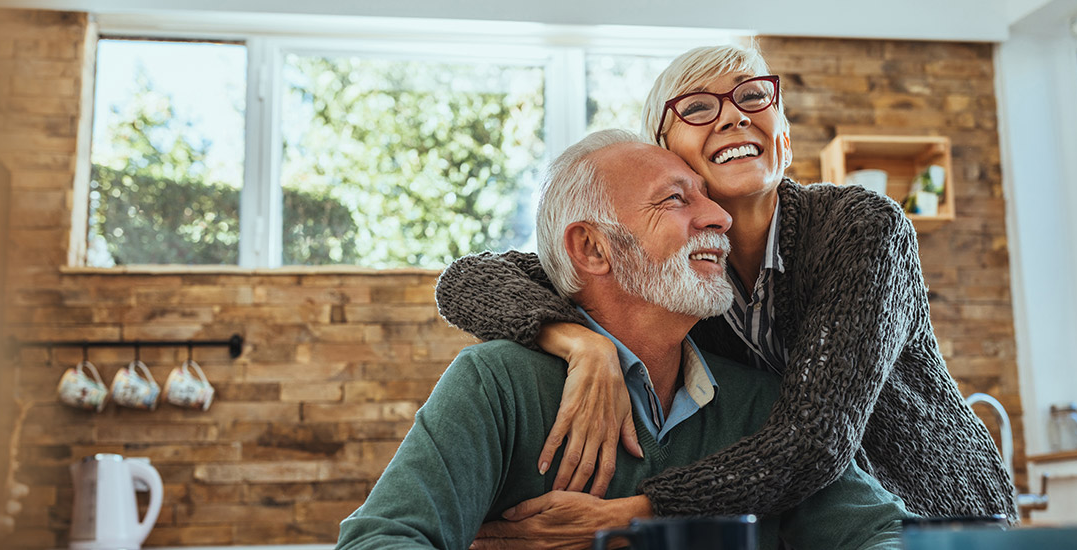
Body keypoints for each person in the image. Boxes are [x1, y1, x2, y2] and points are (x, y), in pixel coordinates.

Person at [434, 45, 1016, 519]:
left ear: (782, 134)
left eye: (752, 96)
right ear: (665, 155)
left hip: (935, 513)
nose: (734, 115)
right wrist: (578, 341)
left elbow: (815, 440)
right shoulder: (668, 272)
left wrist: (635, 512)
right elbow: (469, 279)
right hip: (807, 523)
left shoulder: (862, 228)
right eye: (698, 108)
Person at [339, 130, 912, 550]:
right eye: (676, 199)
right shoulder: (497, 385)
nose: (719, 216)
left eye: (706, 197)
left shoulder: (760, 402)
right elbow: (380, 542)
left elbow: (881, 537)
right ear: (592, 249)